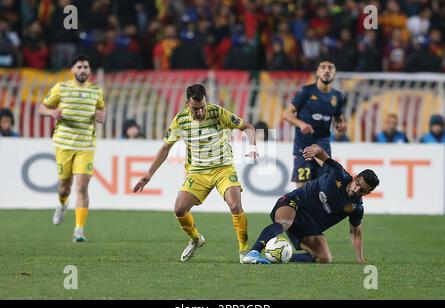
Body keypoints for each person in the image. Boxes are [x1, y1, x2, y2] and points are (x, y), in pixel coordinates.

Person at [133, 84, 257, 263]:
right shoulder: (180, 120)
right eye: (195, 109)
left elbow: (248, 127)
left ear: (206, 101)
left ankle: (244, 252)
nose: (200, 112)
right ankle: (196, 239)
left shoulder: (217, 112)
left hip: (223, 168)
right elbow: (166, 148)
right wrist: (149, 174)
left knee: (235, 206)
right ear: (187, 104)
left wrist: (252, 147)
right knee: (179, 209)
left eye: (202, 108)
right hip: (197, 172)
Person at [242, 144, 379, 264]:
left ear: (368, 193)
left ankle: (280, 258)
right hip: (296, 202)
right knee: (284, 222)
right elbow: (319, 150)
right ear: (355, 178)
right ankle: (253, 253)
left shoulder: (356, 208)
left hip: (309, 226)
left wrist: (360, 258)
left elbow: (356, 233)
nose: (357, 190)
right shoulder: (338, 173)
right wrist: (313, 151)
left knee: (324, 258)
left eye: (362, 190)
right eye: (357, 184)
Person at [38, 54, 106, 242]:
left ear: (89, 70)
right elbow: (41, 108)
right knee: (64, 187)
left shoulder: (96, 91)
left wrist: (101, 116)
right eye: (79, 67)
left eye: (86, 67)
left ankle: (79, 230)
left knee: (82, 187)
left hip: (86, 145)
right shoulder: (61, 88)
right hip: (64, 144)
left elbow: (100, 110)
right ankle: (62, 204)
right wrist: (52, 112)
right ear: (72, 70)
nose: (83, 70)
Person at [284, 60, 347, 189]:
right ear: (318, 72)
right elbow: (287, 114)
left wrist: (341, 125)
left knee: (323, 187)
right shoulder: (305, 92)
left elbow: (338, 118)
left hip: (323, 147)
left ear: (335, 73)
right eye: (323, 67)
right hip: (303, 145)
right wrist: (301, 124)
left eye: (330, 68)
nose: (327, 70)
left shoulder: (338, 97)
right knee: (302, 188)